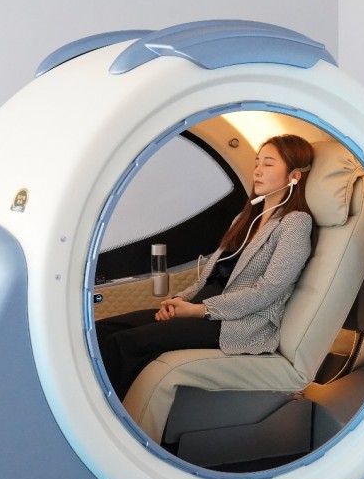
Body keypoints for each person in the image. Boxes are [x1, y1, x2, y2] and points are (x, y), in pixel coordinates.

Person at [96, 134, 316, 400]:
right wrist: (179, 301)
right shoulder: (246, 217)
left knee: (123, 344)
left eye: (268, 164)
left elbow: (267, 291)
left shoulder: (295, 223)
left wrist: (198, 310)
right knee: (102, 330)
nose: (257, 170)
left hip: (236, 323)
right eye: (257, 162)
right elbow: (208, 278)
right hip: (201, 308)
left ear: (294, 176)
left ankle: (110, 413)